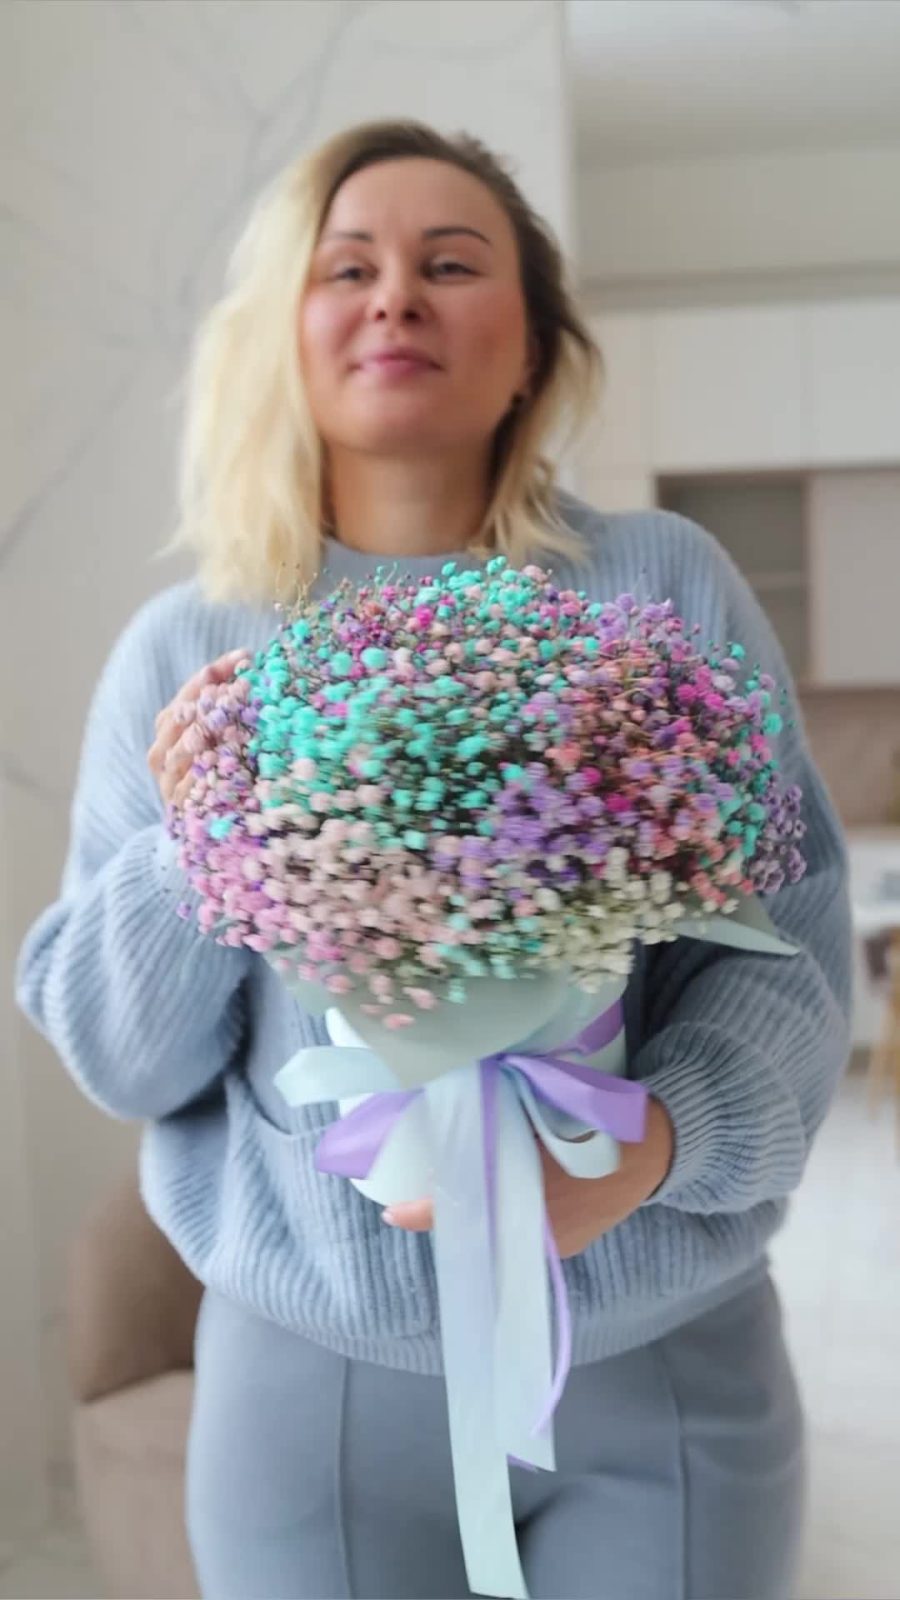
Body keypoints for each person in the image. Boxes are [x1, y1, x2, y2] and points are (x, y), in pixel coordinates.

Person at [17, 120, 852, 1600]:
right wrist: (196, 845)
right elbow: (124, 1059)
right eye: (348, 267)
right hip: (312, 1393)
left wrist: (652, 1146)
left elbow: (784, 950)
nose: (396, 295)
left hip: (665, 1365)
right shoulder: (185, 646)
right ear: (285, 329)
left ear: (532, 344)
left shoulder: (660, 586)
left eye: (451, 264)